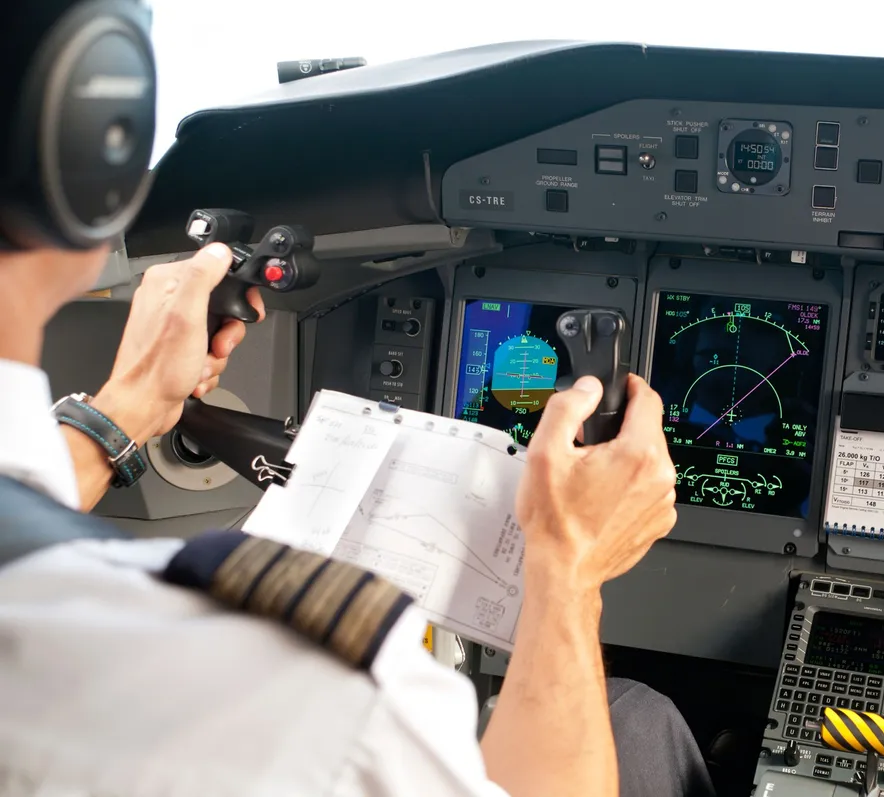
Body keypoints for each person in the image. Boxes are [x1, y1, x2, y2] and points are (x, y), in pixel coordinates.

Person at [0, 2, 716, 796]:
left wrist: (125, 411)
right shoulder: (324, 701)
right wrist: (569, 562)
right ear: (84, 139)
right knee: (638, 716)